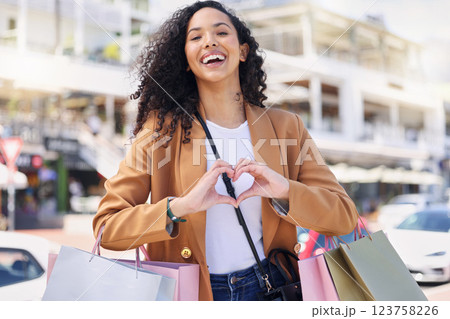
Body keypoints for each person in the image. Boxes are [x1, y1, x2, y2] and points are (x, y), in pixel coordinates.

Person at [93, 1, 358, 301]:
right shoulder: (160, 132)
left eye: (221, 32)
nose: (209, 41)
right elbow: (106, 228)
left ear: (243, 51)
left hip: (273, 289)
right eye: (196, 37)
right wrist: (178, 208)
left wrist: (284, 190)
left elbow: (344, 217)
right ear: (186, 59)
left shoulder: (287, 128)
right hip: (192, 295)